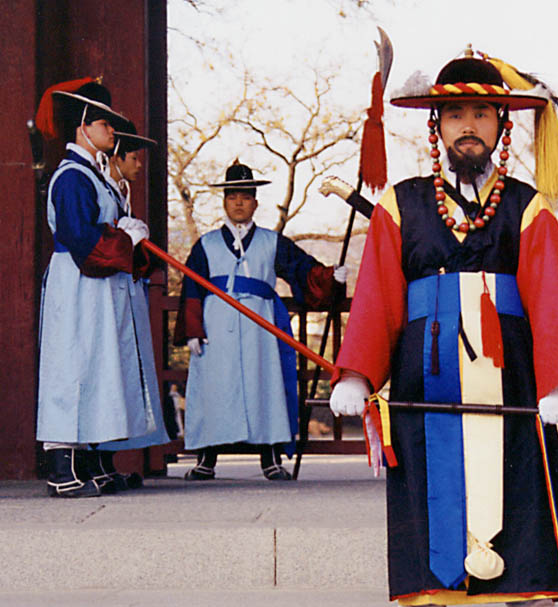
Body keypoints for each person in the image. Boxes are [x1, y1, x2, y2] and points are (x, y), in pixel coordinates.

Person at [329, 51, 558, 607]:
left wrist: (557, 381)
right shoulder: (401, 204)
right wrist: (359, 371)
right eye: (455, 115)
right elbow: (377, 294)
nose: (467, 126)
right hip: (425, 386)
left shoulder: (529, 208)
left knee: (524, 506)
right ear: (436, 126)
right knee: (423, 509)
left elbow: (550, 296)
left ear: (503, 125)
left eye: (480, 113)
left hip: (512, 384)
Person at [174, 161, 345, 481]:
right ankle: (206, 459)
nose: (238, 202)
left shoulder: (272, 241)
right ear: (224, 202)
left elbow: (302, 271)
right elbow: (192, 287)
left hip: (260, 325)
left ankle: (270, 458)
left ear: (255, 202)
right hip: (217, 326)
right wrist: (193, 329)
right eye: (232, 196)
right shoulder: (206, 245)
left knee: (264, 386)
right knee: (214, 388)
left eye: (245, 196)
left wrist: (330, 277)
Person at [34, 79, 156, 498]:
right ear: (84, 126)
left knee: (97, 365)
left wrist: (127, 237)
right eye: (105, 123)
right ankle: (61, 469)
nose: (112, 131)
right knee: (71, 365)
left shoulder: (95, 177)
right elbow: (82, 238)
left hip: (96, 285)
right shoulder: (71, 177)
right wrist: (125, 240)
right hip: (77, 281)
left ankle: (92, 463)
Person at [94, 121, 170, 490]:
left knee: (124, 374)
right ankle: (97, 459)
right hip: (103, 289)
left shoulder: (120, 190)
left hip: (126, 290)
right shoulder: (98, 185)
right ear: (118, 157)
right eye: (134, 158)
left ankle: (108, 460)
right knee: (108, 371)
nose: (140, 165)